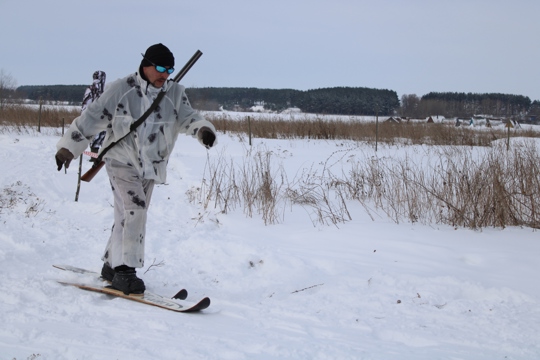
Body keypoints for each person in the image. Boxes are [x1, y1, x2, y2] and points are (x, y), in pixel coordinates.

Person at [55, 43, 217, 295]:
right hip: (120, 159)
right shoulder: (122, 89)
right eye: (161, 68)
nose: (166, 74)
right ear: (146, 65)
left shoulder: (174, 92)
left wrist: (203, 130)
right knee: (135, 209)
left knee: (127, 214)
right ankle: (125, 272)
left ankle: (111, 263)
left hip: (151, 165)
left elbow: (189, 117)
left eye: (170, 69)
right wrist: (68, 148)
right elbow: (92, 117)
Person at [81, 70, 107, 158]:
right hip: (105, 119)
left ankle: (95, 156)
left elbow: (85, 105)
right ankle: (98, 157)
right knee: (103, 138)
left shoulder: (90, 89)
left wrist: (84, 117)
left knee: (95, 138)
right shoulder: (106, 89)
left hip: (93, 119)